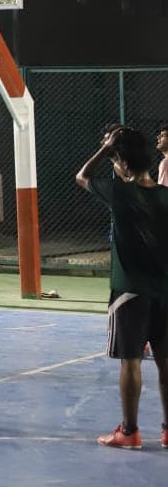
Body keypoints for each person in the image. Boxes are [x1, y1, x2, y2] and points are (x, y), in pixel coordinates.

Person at [75, 125, 168, 450]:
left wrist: (104, 150)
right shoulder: (165, 196)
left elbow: (82, 176)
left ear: (123, 163)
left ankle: (130, 432)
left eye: (115, 159)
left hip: (129, 293)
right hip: (165, 292)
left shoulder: (121, 194)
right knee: (165, 361)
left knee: (131, 361)